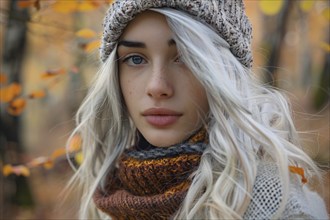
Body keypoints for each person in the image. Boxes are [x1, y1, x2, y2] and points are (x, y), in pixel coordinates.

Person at [68, 0, 329, 219]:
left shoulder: (274, 203)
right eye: (135, 59)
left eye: (185, 57)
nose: (157, 86)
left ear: (224, 73)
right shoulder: (108, 196)